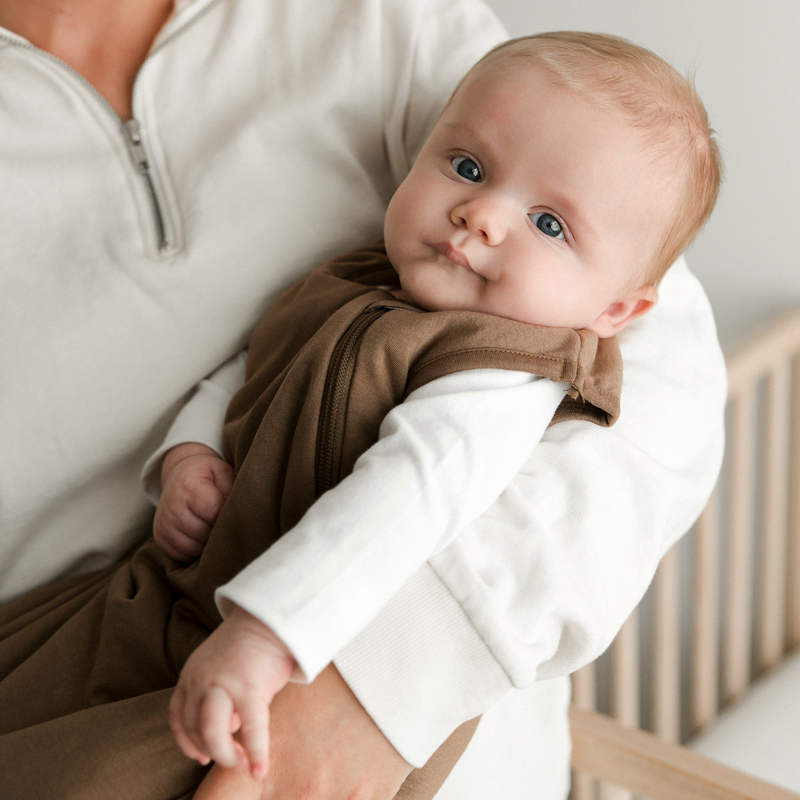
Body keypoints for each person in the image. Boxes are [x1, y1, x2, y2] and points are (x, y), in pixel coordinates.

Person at [0, 1, 726, 798]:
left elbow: (402, 499)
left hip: (297, 649)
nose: (482, 215)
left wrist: (273, 635)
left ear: (617, 310)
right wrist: (192, 451)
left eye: (549, 224)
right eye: (468, 168)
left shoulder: (498, 372)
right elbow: (254, 361)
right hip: (161, 606)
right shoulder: (354, 283)